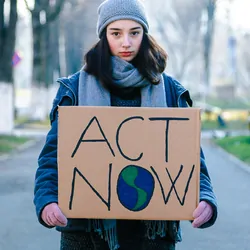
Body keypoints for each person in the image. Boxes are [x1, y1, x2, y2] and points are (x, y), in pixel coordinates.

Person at [34, 0, 218, 249]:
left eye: (134, 32)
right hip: (87, 236)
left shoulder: (171, 92)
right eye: (116, 33)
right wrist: (46, 200)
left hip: (151, 237)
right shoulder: (75, 89)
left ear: (145, 34)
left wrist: (205, 198)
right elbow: (52, 156)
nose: (126, 42)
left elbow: (192, 160)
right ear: (103, 35)